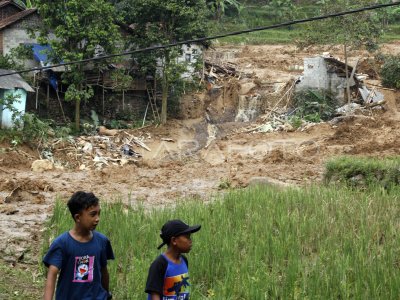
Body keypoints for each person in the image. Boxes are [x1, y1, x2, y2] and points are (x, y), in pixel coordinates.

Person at [43, 191, 114, 300]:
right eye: (92, 214)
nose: (97, 218)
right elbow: (52, 275)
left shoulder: (102, 241)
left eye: (99, 213)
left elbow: (104, 271)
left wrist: (106, 295)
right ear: (77, 218)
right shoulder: (62, 243)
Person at [145, 219, 201, 300]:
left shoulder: (184, 260)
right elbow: (155, 295)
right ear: (174, 240)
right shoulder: (160, 264)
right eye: (187, 237)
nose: (190, 241)